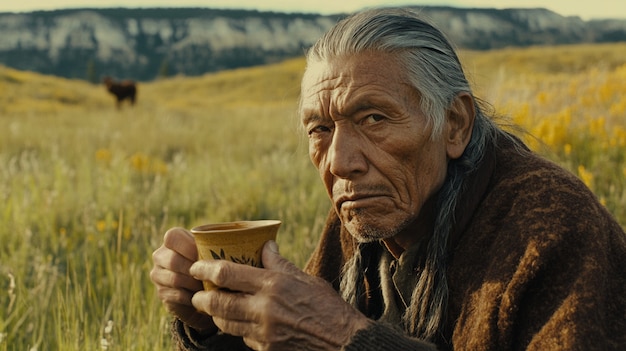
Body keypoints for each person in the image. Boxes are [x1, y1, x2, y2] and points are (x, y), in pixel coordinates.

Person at [150, 7, 626, 351]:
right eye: (320, 129)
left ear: (454, 124)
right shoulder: (361, 218)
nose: (339, 161)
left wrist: (346, 338)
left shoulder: (552, 227)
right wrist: (214, 324)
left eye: (374, 118)